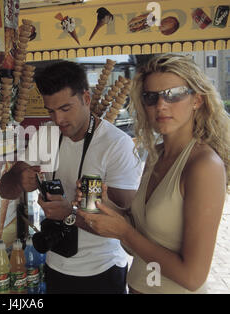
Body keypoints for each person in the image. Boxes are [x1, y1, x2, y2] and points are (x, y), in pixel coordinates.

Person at [76, 53, 229, 294]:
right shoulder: (156, 155)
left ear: (197, 100)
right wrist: (107, 207)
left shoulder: (204, 165)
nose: (161, 105)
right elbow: (143, 240)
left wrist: (123, 232)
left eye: (174, 94)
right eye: (151, 97)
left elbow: (192, 277)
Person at [0, 61, 142, 293]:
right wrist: (17, 177)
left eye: (66, 108)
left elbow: (125, 224)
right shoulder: (46, 135)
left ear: (86, 98)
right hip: (56, 264)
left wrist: (69, 214)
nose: (58, 120)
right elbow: (5, 190)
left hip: (102, 269)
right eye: (51, 111)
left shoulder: (116, 145)